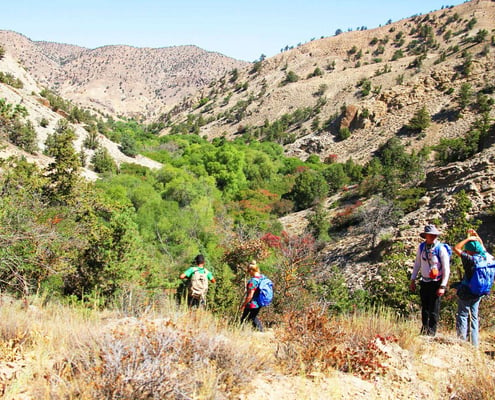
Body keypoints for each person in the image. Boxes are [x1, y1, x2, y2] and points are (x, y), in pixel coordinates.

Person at [410, 225, 450, 336]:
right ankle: (424, 330)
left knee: (434, 308)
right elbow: (417, 264)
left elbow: (446, 268)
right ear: (426, 236)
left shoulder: (440, 248)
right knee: (425, 307)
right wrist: (413, 279)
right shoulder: (422, 247)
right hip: (425, 281)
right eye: (430, 235)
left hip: (436, 282)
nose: (432, 237)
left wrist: (442, 286)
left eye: (434, 235)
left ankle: (432, 333)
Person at [453, 229, 487, 346]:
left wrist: (468, 239)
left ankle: (461, 341)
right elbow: (482, 247)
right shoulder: (484, 258)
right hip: (478, 292)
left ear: (469, 250)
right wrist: (477, 237)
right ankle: (475, 344)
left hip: (466, 291)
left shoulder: (469, 259)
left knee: (463, 314)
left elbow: (456, 248)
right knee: (474, 317)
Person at [240, 260, 264, 332]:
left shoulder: (253, 281)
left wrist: (244, 304)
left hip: (252, 303)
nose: (248, 273)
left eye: (248, 271)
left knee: (245, 319)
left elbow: (250, 295)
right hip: (259, 302)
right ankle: (259, 331)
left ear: (251, 270)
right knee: (252, 317)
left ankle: (241, 332)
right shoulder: (261, 277)